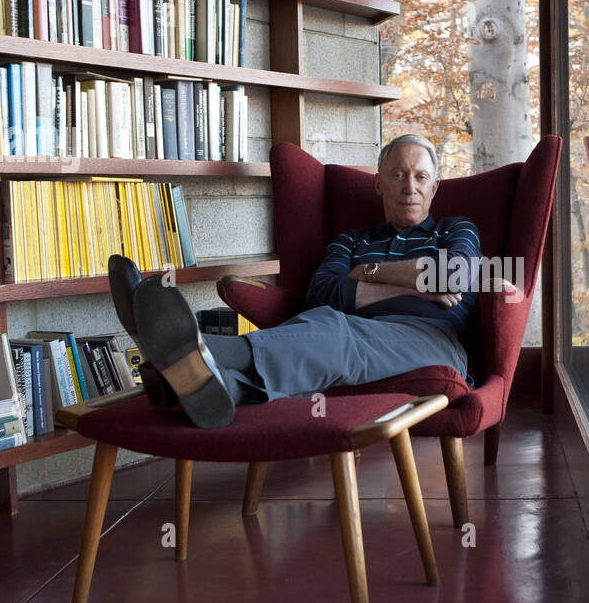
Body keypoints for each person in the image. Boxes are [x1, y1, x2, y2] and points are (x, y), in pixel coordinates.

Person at [110, 134, 485, 429]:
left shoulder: (455, 229)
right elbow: (321, 294)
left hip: (434, 342)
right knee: (326, 323)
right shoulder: (351, 241)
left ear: (435, 187)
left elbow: (456, 273)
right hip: (347, 332)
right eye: (399, 174)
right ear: (378, 184)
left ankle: (186, 345)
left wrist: (364, 274)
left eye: (421, 177)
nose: (410, 187)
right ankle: (223, 388)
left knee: (334, 331)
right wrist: (411, 282)